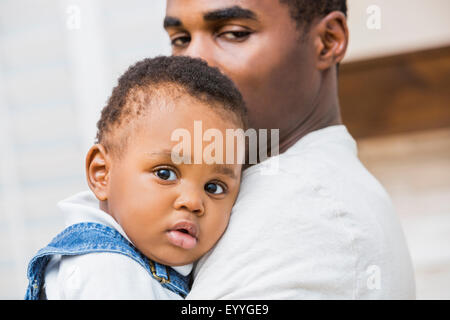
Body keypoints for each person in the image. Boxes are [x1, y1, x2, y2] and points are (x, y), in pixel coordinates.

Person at [164, 0, 416, 299]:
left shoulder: (299, 211)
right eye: (181, 40)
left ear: (327, 42)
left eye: (233, 33)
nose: (191, 64)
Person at [25, 56, 248, 299]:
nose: (193, 202)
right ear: (102, 174)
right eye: (166, 173)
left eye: (213, 187)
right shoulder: (107, 269)